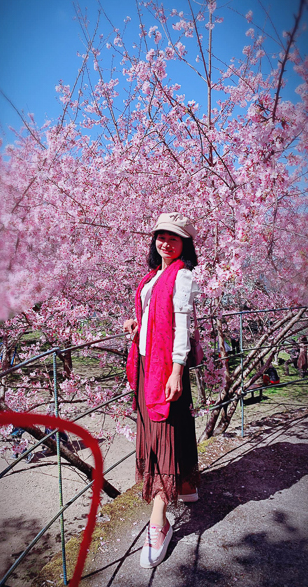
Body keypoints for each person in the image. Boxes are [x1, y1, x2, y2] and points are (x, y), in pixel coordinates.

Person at [124, 212, 201, 569]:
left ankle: (160, 521)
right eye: (161, 236)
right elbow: (153, 316)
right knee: (170, 426)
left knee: (162, 436)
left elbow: (182, 328)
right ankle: (185, 486)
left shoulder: (182, 276)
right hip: (145, 365)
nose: (165, 242)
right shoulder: (153, 277)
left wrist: (176, 372)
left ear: (184, 244)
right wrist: (136, 323)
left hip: (165, 369)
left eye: (173, 238)